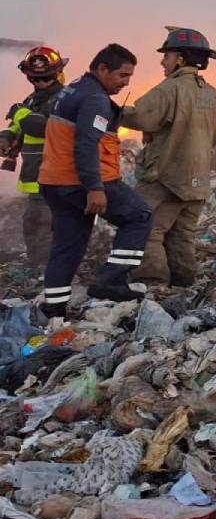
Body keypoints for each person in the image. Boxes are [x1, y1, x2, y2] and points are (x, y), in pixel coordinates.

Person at [38, 44, 152, 316]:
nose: (125, 84)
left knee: (68, 245)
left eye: (129, 78)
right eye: (122, 76)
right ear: (102, 69)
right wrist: (95, 188)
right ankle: (111, 281)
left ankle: (53, 309)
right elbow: (87, 145)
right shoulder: (94, 98)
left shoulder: (74, 88)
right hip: (81, 181)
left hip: (54, 181)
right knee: (139, 215)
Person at [121, 27, 216, 288]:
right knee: (181, 234)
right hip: (197, 179)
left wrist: (109, 109)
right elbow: (215, 134)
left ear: (179, 58)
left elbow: (142, 116)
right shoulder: (209, 92)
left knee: (146, 230)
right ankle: (183, 284)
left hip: (165, 178)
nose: (162, 61)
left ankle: (153, 284)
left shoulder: (170, 89)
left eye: (166, 56)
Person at [0, 47, 68, 267]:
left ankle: (47, 272)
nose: (40, 82)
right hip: (36, 177)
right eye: (34, 78)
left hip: (53, 177)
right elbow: (17, 126)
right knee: (33, 224)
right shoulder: (32, 100)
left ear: (58, 73)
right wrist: (5, 137)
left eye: (45, 77)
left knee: (43, 225)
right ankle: (40, 269)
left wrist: (19, 113)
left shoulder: (64, 100)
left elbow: (42, 126)